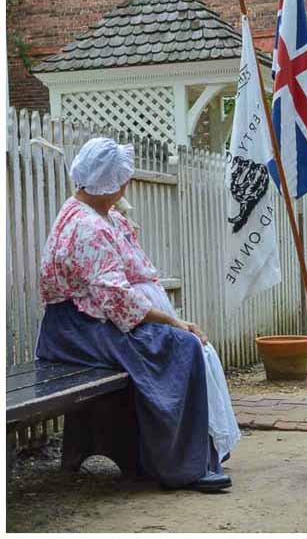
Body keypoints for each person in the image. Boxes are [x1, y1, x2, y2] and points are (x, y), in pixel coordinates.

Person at [36, 137, 238, 491]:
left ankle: (183, 454)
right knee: (182, 347)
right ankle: (181, 468)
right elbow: (117, 301)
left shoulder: (87, 211)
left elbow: (112, 295)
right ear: (109, 184)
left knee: (179, 344)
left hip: (82, 322)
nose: (126, 184)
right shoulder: (88, 228)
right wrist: (174, 321)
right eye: (122, 179)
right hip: (77, 330)